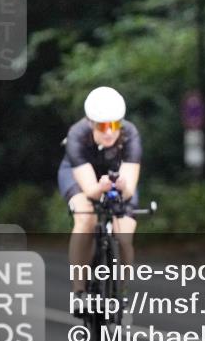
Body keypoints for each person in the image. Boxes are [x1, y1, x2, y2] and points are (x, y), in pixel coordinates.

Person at [58, 86, 142, 310]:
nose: (109, 132)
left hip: (115, 176)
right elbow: (90, 190)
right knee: (86, 219)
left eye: (114, 125)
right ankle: (79, 291)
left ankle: (122, 292)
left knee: (124, 235)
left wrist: (122, 187)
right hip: (80, 177)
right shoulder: (77, 134)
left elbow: (129, 189)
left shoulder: (130, 133)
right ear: (91, 123)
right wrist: (100, 188)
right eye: (102, 126)